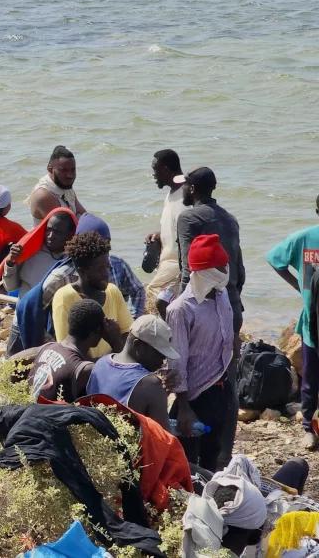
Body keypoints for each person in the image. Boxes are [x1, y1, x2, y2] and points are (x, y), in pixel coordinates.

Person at [167, 234, 237, 471]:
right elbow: (177, 361)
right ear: (203, 272)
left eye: (225, 265)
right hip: (195, 397)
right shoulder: (181, 310)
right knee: (187, 465)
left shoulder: (222, 294)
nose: (224, 271)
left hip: (221, 389)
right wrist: (184, 406)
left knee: (214, 458)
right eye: (219, 268)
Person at [267, 194, 319, 449]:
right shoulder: (304, 238)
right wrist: (299, 286)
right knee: (310, 377)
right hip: (314, 321)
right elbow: (275, 259)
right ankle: (308, 426)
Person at [177, 166, 245, 335]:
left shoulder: (189, 218)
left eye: (184, 185)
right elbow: (240, 270)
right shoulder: (231, 219)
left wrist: (181, 307)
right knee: (227, 360)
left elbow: (188, 269)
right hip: (232, 309)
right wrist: (234, 301)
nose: (182, 190)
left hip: (203, 311)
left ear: (192, 189)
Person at [87, 315, 178, 430]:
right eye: (159, 353)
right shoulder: (150, 384)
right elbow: (163, 439)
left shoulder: (100, 363)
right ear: (138, 345)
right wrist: (160, 394)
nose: (163, 359)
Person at [51, 231, 131, 358]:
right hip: (84, 372)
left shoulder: (113, 291)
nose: (106, 273)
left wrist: (116, 345)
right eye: (100, 269)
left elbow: (127, 333)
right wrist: (116, 352)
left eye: (107, 267)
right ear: (82, 271)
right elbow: (70, 353)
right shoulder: (64, 298)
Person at [30, 299, 105, 402]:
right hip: (52, 418)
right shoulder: (84, 369)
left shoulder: (47, 347)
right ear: (97, 330)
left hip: (30, 413)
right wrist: (116, 341)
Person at [76, 214, 145, 318]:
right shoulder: (67, 275)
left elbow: (138, 290)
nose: (104, 249)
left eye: (106, 243)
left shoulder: (118, 265)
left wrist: (133, 319)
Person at [1, 207, 76, 296]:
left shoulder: (72, 262)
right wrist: (10, 262)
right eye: (48, 229)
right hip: (25, 306)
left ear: (70, 235)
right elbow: (10, 287)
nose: (50, 236)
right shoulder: (32, 250)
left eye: (57, 232)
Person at [145, 149, 186, 309]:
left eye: (155, 170)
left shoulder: (186, 196)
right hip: (167, 262)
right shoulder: (171, 194)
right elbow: (176, 227)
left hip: (177, 264)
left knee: (151, 293)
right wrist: (159, 236)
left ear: (166, 170)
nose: (153, 175)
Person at [27, 145, 87, 223]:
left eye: (73, 170)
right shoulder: (43, 195)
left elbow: (84, 215)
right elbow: (65, 229)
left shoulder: (64, 185)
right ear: (50, 169)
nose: (70, 175)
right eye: (63, 170)